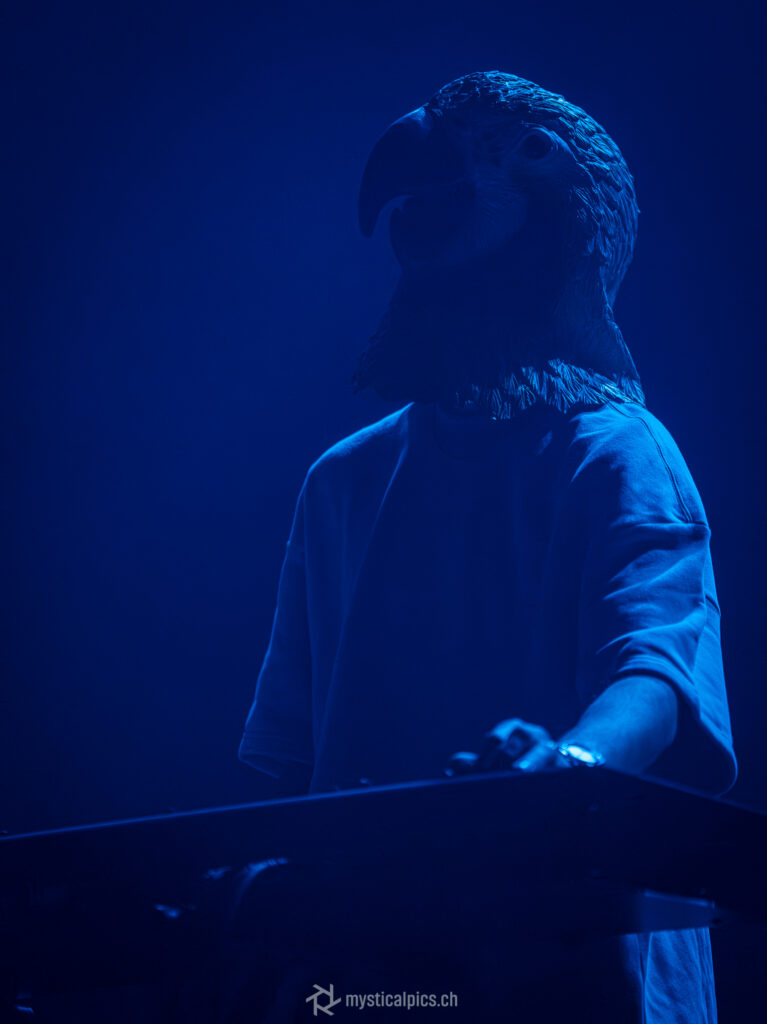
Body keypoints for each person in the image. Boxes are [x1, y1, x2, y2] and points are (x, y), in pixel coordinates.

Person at [238, 72, 737, 1022]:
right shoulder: (341, 481)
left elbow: (654, 675)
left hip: (575, 964)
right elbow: (296, 763)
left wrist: (562, 769)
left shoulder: (618, 454)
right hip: (371, 978)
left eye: (521, 149)